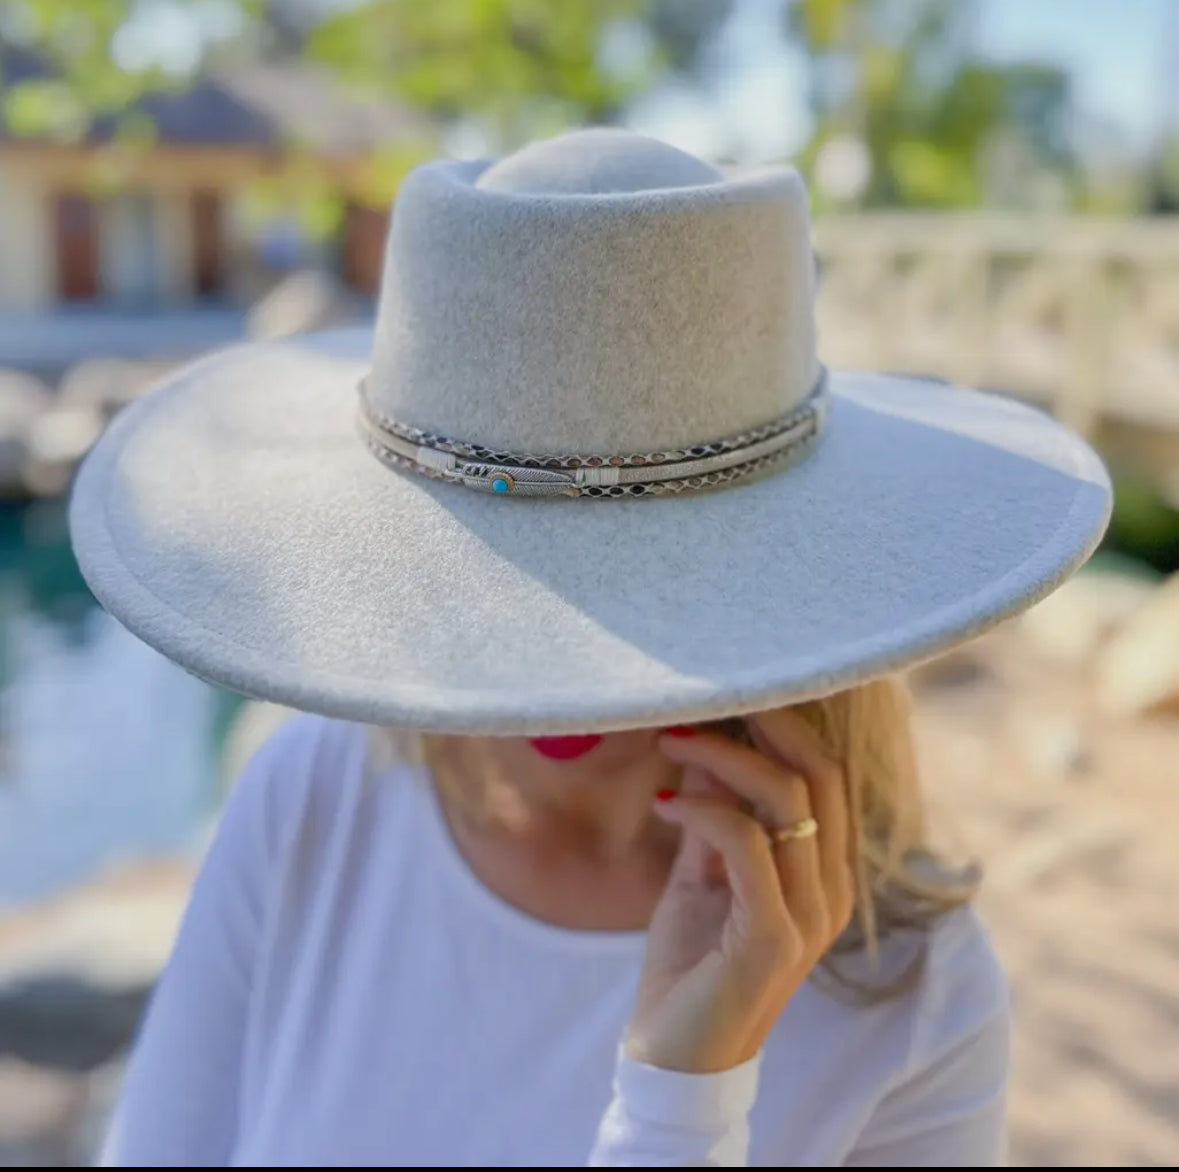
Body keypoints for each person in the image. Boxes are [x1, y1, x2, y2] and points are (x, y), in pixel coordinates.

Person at [70, 128, 1111, 1166]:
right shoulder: (313, 802)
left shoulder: (912, 996)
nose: (553, 680)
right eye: (499, 574)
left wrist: (685, 1094)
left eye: (632, 592)